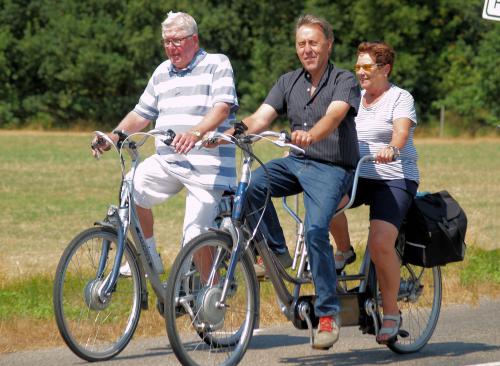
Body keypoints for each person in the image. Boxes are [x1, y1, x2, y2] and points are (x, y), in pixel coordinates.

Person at [226, 14, 360, 350]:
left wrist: (310, 136)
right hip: (296, 163)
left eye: (313, 42)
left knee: (316, 230)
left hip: (332, 168)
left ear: (328, 44)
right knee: (254, 185)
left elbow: (333, 116)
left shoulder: (344, 80)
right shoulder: (288, 82)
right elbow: (260, 117)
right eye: (301, 43)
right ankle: (277, 253)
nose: (307, 49)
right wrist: (226, 134)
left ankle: (328, 315)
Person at [91, 11, 238, 275]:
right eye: (167, 42)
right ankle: (149, 258)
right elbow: (140, 114)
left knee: (195, 237)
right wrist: (113, 137)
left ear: (194, 39)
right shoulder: (162, 72)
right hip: (168, 160)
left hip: (207, 167)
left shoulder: (217, 63)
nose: (171, 47)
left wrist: (195, 133)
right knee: (130, 186)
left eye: (177, 40)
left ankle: (212, 299)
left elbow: (222, 109)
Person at [329, 41, 419, 345]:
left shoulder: (399, 98)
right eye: (358, 67)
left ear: (385, 69)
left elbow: (401, 132)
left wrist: (392, 147)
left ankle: (391, 312)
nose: (361, 73)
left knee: (381, 243)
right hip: (360, 174)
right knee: (324, 202)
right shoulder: (354, 97)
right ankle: (344, 251)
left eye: (367, 67)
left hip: (394, 177)